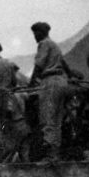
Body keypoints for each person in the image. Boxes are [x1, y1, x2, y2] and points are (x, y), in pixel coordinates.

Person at [29, 22, 68, 161]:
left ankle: (50, 155)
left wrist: (30, 84)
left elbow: (38, 66)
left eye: (36, 33)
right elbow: (65, 65)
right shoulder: (55, 46)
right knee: (57, 119)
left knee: (47, 117)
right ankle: (55, 153)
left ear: (41, 32)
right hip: (61, 81)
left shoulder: (44, 44)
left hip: (50, 81)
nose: (34, 37)